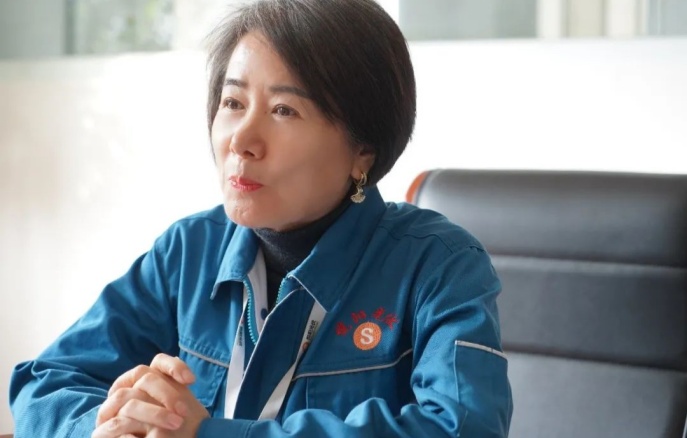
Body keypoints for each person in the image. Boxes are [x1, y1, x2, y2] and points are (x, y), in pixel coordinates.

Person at [9, 0, 513, 436]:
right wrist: (115, 425)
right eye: (232, 102)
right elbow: (44, 381)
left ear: (363, 150)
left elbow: (463, 427)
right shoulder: (189, 252)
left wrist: (210, 435)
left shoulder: (440, 266)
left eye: (283, 110)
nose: (241, 141)